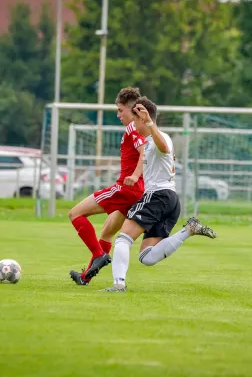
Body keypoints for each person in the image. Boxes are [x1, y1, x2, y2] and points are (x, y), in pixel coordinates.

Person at [83, 97, 217, 292]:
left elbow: (164, 147)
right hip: (170, 199)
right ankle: (189, 230)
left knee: (122, 239)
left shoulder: (159, 137)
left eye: (136, 120)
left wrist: (149, 124)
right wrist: (134, 176)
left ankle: (118, 284)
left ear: (145, 119)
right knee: (147, 257)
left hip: (158, 196)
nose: (133, 123)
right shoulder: (145, 142)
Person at [68, 87, 146, 285]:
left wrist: (135, 175)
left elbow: (144, 151)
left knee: (75, 214)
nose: (118, 114)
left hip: (126, 189)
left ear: (132, 110)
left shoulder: (132, 128)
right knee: (108, 232)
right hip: (137, 193)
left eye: (120, 110)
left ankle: (98, 255)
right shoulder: (141, 128)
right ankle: (85, 277)